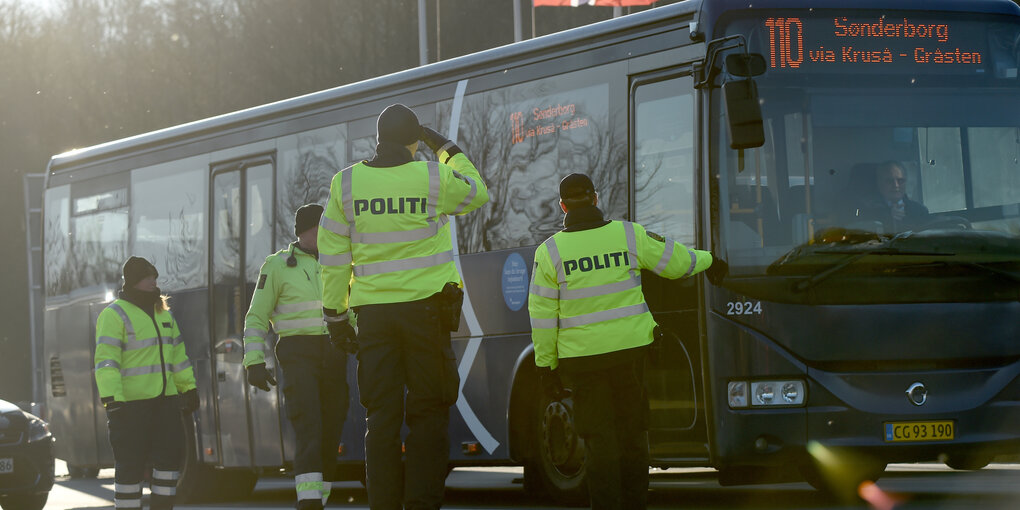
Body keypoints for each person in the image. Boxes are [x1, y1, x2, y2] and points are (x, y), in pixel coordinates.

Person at [318, 103, 488, 510]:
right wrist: (443, 146)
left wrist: (335, 317)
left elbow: (333, 258)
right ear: (414, 141)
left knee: (381, 419)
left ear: (377, 140)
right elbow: (478, 191)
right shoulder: (433, 176)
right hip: (425, 316)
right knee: (428, 415)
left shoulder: (346, 185)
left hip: (374, 319)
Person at [527, 173, 713, 510]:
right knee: (632, 436)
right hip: (630, 356)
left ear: (563, 206)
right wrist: (711, 260)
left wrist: (546, 366)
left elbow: (541, 315)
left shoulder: (550, 251)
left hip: (584, 362)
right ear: (596, 199)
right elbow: (677, 263)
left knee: (599, 442)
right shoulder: (629, 234)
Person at [242, 204, 348, 510]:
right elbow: (256, 318)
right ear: (304, 232)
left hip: (334, 353)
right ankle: (309, 500)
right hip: (298, 354)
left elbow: (349, 306)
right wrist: (254, 361)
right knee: (309, 423)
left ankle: (319, 498)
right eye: (320, 228)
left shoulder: (338, 261)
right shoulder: (276, 266)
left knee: (332, 427)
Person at [94, 256, 199, 510]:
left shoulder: (163, 314)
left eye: (154, 277)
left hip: (165, 403)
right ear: (134, 281)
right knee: (130, 469)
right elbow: (106, 362)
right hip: (130, 407)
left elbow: (178, 357)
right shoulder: (114, 315)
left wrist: (189, 388)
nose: (153, 281)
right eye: (147, 277)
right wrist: (112, 401)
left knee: (168, 465)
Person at [851, 161, 929, 232]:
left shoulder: (920, 211)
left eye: (900, 181)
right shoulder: (865, 210)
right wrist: (887, 216)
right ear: (879, 183)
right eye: (889, 181)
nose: (896, 185)